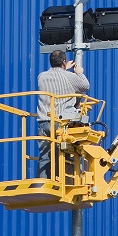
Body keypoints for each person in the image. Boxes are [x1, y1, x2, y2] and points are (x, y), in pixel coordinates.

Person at [36, 50, 90, 179]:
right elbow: (85, 86)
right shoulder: (68, 76)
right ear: (64, 62)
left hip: (44, 122)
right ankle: (67, 182)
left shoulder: (41, 76)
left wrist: (66, 68)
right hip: (62, 123)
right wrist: (79, 73)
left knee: (45, 156)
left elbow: (56, 77)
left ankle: (43, 184)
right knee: (66, 154)